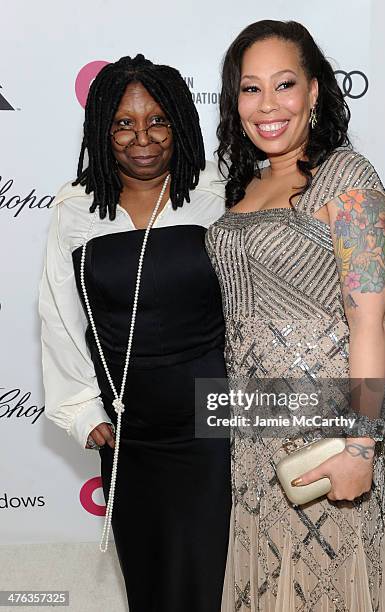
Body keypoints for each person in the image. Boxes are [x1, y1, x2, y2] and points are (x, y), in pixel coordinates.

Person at [206, 20, 385, 611]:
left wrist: (360, 447)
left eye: (284, 84)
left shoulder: (346, 177)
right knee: (264, 578)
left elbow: (371, 322)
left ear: (314, 91)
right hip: (252, 424)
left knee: (326, 582)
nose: (267, 105)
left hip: (325, 427)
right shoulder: (245, 185)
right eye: (250, 88)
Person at [39, 54, 231, 612]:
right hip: (129, 423)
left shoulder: (216, 196)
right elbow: (59, 313)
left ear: (180, 124)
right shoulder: (75, 209)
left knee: (205, 571)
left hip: (211, 420)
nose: (141, 137)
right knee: (146, 572)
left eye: (157, 121)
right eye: (124, 123)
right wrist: (81, 409)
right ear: (102, 129)